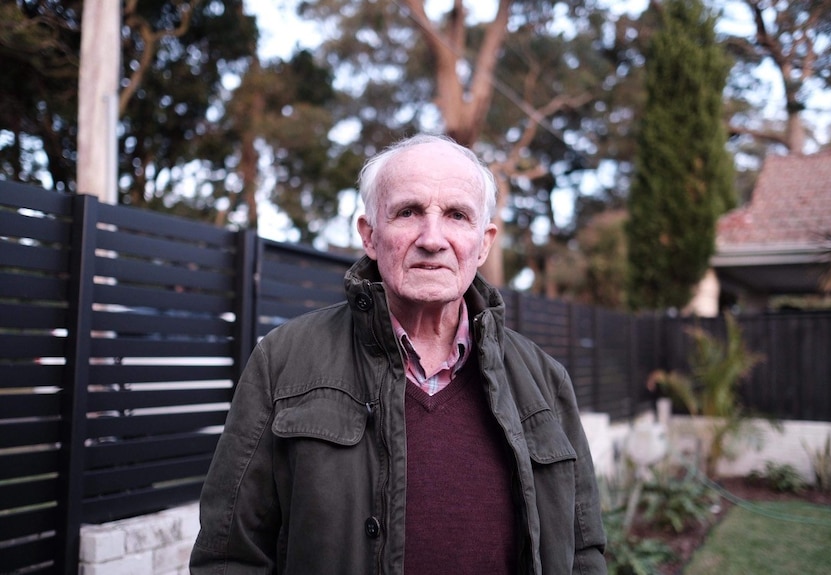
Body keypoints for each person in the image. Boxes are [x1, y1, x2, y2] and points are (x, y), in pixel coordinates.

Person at [190, 133, 607, 574]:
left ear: (483, 243)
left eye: (456, 215)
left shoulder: (545, 380)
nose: (432, 238)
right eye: (408, 212)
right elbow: (229, 557)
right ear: (370, 236)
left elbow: (582, 553)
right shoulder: (283, 362)